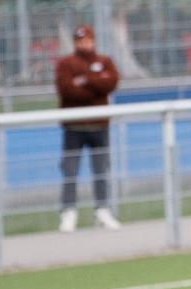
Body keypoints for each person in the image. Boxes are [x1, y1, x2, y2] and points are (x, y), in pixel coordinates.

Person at [55, 25, 122, 233]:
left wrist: (85, 81)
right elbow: (68, 90)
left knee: (101, 170)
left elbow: (111, 82)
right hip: (74, 127)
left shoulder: (105, 61)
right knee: (70, 170)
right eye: (80, 41)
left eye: (87, 40)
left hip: (99, 125)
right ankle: (69, 212)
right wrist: (95, 86)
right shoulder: (66, 63)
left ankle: (103, 210)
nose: (84, 44)